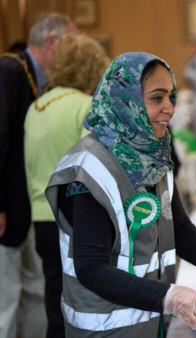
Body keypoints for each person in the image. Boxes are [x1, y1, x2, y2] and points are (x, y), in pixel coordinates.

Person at [45, 52, 196, 336]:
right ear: (124, 102)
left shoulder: (154, 155)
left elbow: (177, 227)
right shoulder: (89, 169)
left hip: (150, 322)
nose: (169, 108)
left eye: (171, 96)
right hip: (106, 330)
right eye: (157, 98)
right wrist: (169, 296)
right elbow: (91, 268)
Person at [23, 33, 109, 338]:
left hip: (41, 217)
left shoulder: (37, 107)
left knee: (54, 297)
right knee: (82, 301)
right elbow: (98, 165)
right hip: (75, 219)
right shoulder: (86, 106)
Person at [0, 13, 77, 338]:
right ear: (52, 42)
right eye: (70, 44)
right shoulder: (9, 70)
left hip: (25, 210)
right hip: (7, 210)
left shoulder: (33, 76)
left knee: (29, 294)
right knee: (5, 299)